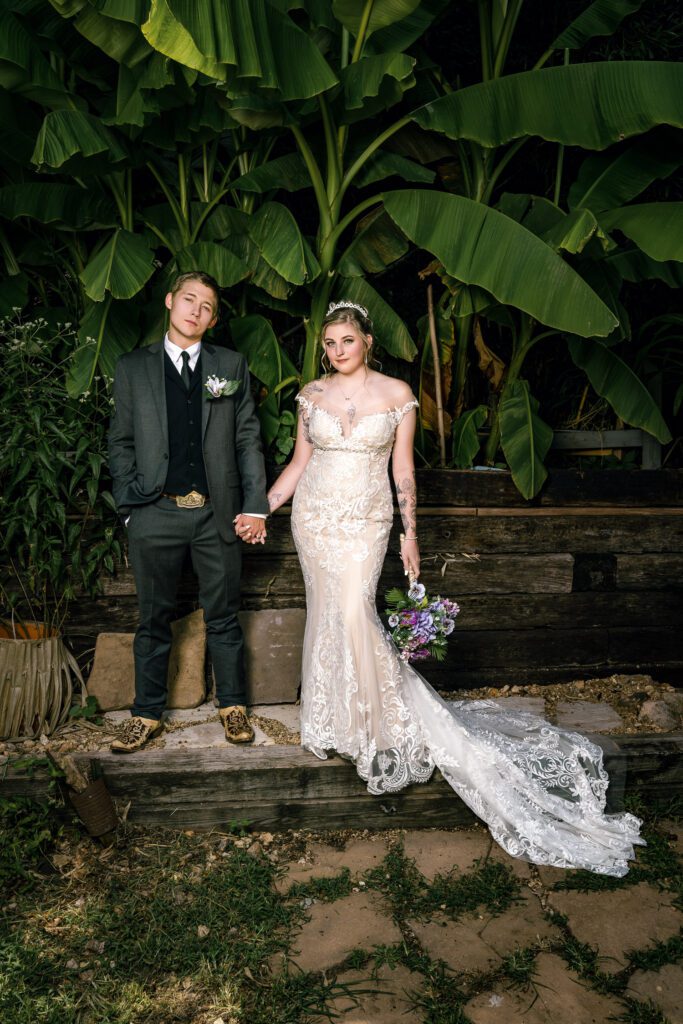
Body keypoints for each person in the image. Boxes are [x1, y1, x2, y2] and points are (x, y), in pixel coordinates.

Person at [267, 300, 644, 877]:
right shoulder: (310, 396)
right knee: (327, 611)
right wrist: (261, 507)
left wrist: (409, 535)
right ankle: (337, 720)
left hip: (367, 522)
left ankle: (380, 721)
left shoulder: (397, 395)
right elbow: (298, 463)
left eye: (346, 340)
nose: (336, 351)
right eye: (329, 344)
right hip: (314, 518)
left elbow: (402, 471)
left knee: (354, 610)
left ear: (367, 340)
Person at [108, 271, 269, 753]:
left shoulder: (231, 365)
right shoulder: (133, 366)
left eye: (206, 306)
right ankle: (146, 713)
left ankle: (233, 705)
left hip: (215, 513)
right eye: (189, 300)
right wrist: (130, 506)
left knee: (223, 615)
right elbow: (120, 441)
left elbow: (246, 439)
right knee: (152, 618)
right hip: (154, 512)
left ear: (213, 318)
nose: (196, 310)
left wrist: (255, 505)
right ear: (169, 301)